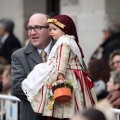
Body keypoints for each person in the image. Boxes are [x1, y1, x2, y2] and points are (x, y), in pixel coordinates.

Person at [22, 15, 97, 119]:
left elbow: (63, 58)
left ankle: (63, 114)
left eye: (54, 29)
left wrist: (60, 73)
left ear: (64, 29)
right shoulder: (67, 41)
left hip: (68, 74)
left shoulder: (64, 42)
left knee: (64, 95)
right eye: (50, 29)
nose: (51, 32)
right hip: (73, 73)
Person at [11, 13, 56, 120]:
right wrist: (53, 92)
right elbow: (17, 88)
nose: (32, 32)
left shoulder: (66, 49)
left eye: (37, 27)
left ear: (49, 29)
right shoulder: (19, 56)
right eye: (29, 28)